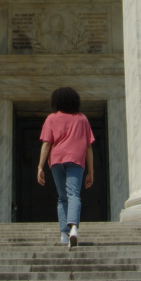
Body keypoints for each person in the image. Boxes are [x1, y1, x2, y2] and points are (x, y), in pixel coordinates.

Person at [36, 86, 95, 249]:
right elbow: (89, 147)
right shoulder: (82, 119)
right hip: (76, 159)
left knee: (62, 197)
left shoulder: (51, 118)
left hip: (56, 160)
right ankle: (74, 227)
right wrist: (91, 171)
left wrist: (40, 167)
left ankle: (63, 235)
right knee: (74, 194)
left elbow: (46, 143)